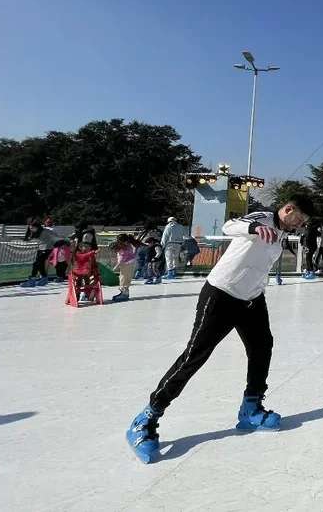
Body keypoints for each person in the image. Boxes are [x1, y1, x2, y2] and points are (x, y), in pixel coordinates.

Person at [125, 195, 313, 464]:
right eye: (299, 218)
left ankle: (251, 408)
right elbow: (229, 225)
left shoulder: (282, 233)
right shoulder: (262, 218)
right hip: (221, 295)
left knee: (262, 347)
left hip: (251, 298)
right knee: (195, 356)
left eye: (303, 222)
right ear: (289, 209)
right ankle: (145, 420)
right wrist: (252, 228)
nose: (299, 224)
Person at [21, 221, 59, 287]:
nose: (31, 230)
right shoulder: (36, 233)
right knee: (38, 263)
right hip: (40, 248)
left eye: (32, 228)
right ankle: (43, 278)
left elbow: (55, 236)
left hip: (47, 248)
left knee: (38, 262)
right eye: (30, 229)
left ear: (37, 227)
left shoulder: (45, 231)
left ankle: (34, 279)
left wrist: (55, 241)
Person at [111, 234, 141, 302]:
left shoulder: (124, 248)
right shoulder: (126, 246)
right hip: (127, 264)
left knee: (125, 279)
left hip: (127, 264)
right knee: (123, 278)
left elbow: (122, 259)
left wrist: (115, 267)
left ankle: (125, 294)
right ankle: (122, 293)